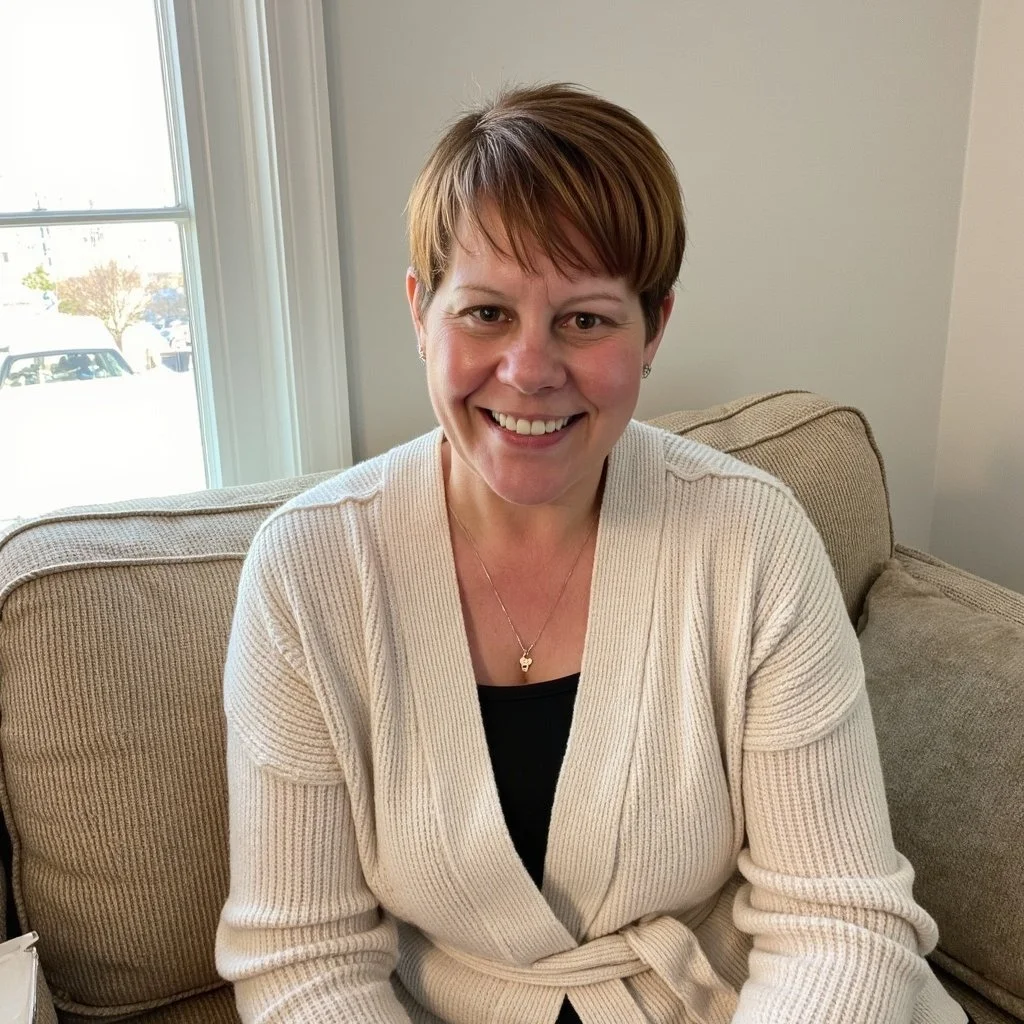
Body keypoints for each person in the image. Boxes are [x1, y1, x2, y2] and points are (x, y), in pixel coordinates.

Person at [215, 83, 970, 1023]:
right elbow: (304, 956)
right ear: (421, 312)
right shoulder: (306, 573)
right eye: (486, 312)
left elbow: (836, 915)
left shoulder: (754, 539)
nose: (529, 370)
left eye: (585, 319)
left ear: (653, 329)